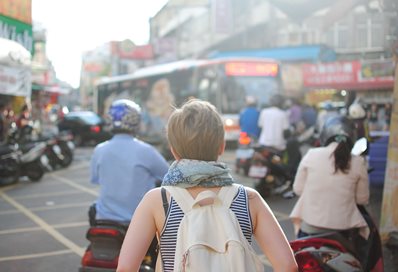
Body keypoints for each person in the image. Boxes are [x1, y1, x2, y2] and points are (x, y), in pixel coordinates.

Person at [117, 99, 298, 272]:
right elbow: (288, 265)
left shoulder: (157, 200)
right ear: (222, 146)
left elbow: (126, 268)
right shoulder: (249, 199)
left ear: (173, 150)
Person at [89, 99, 169, 224]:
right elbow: (168, 176)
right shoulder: (146, 150)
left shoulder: (99, 150)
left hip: (104, 219)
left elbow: (95, 179)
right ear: (136, 121)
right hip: (137, 221)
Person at [290, 115, 369, 238]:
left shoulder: (311, 154)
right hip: (344, 230)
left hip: (310, 228)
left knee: (298, 255)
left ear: (324, 136)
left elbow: (298, 189)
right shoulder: (358, 161)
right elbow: (362, 200)